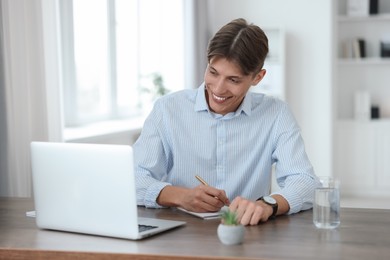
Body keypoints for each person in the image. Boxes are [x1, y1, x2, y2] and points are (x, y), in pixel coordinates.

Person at [134, 18, 320, 226]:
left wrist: (268, 204)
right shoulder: (167, 109)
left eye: (233, 80)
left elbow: (306, 182)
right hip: (180, 234)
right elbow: (133, 178)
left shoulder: (276, 114)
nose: (218, 89)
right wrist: (180, 196)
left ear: (257, 77)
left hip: (247, 235)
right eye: (213, 72)